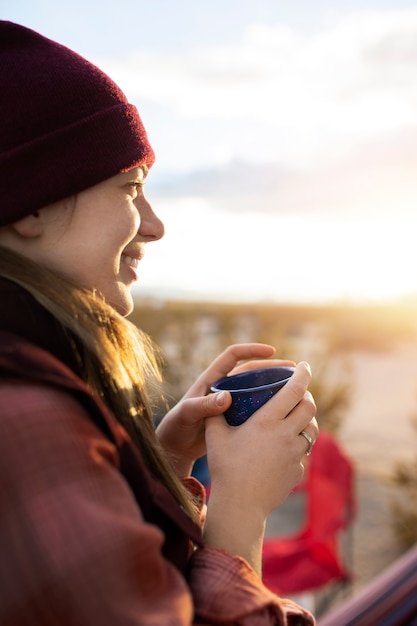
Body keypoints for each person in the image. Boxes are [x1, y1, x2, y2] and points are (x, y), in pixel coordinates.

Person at [0, 21, 319, 626]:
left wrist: (163, 463)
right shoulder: (22, 415)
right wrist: (240, 512)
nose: (154, 225)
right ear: (31, 201)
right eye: (131, 188)